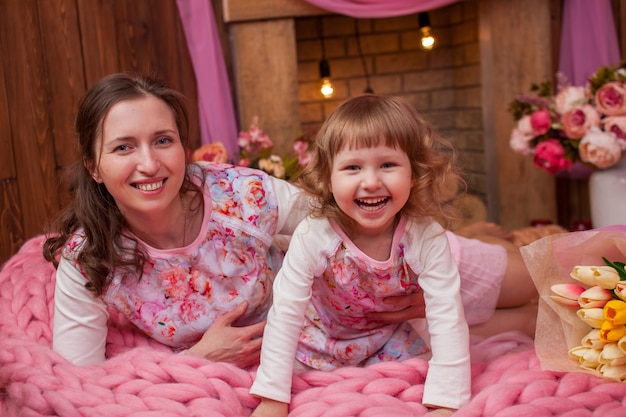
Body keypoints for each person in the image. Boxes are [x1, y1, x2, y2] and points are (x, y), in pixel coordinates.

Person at [43, 72, 536, 374]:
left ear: (182, 144)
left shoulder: (238, 193)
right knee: (529, 322)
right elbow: (80, 381)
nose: (149, 164)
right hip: (321, 340)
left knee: (534, 279)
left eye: (163, 140)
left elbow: (345, 216)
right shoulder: (89, 260)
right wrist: (196, 362)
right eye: (124, 147)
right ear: (93, 164)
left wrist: (403, 278)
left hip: (368, 278)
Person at [250, 95, 471, 417]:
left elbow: (447, 317)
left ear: (413, 172)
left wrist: (446, 403)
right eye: (352, 167)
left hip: (386, 341)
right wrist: (272, 398)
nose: (370, 182)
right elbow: (285, 314)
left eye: (388, 165)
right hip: (317, 343)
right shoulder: (315, 234)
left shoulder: (427, 236)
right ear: (328, 178)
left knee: (418, 378)